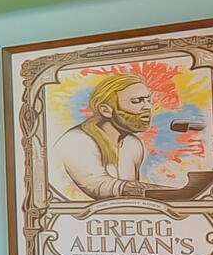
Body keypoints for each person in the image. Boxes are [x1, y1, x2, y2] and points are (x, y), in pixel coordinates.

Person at [50, 72, 184, 200]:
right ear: (106, 110)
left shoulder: (133, 144)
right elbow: (100, 187)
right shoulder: (76, 140)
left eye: (148, 100)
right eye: (136, 101)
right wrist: (175, 194)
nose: (147, 107)